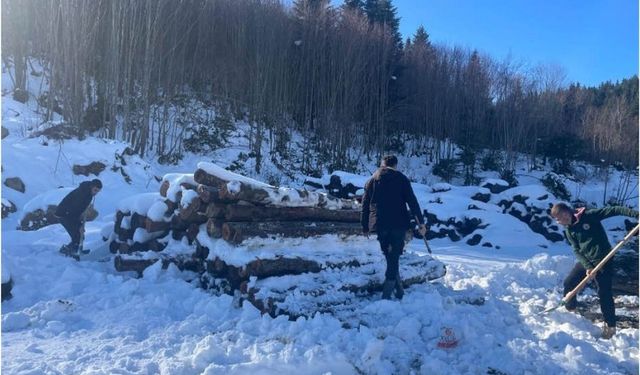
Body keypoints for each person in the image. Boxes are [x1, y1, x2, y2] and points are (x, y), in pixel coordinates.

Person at [550, 202, 638, 339]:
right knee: (569, 283)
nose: (559, 222)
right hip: (587, 261)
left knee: (604, 292)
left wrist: (636, 215)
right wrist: (587, 266)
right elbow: (576, 249)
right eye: (556, 220)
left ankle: (610, 326)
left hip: (604, 258)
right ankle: (571, 311)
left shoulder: (589, 216)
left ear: (566, 213)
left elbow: (614, 210)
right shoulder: (569, 230)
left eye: (559, 218)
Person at [361, 155, 427, 300]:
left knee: (390, 256)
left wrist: (365, 226)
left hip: (379, 223)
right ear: (395, 165)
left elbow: (365, 205)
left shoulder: (372, 180)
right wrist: (421, 223)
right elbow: (412, 202)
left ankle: (398, 290)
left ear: (382, 165)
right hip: (398, 223)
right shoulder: (402, 179)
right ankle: (387, 293)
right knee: (394, 256)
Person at [55, 179, 102, 255]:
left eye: (98, 191)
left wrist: (80, 224)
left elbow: (79, 210)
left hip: (70, 214)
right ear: (91, 187)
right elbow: (73, 210)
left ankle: (75, 250)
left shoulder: (88, 193)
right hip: (63, 214)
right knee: (77, 235)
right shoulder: (82, 193)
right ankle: (70, 251)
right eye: (95, 190)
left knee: (79, 235)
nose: (96, 193)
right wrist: (80, 225)